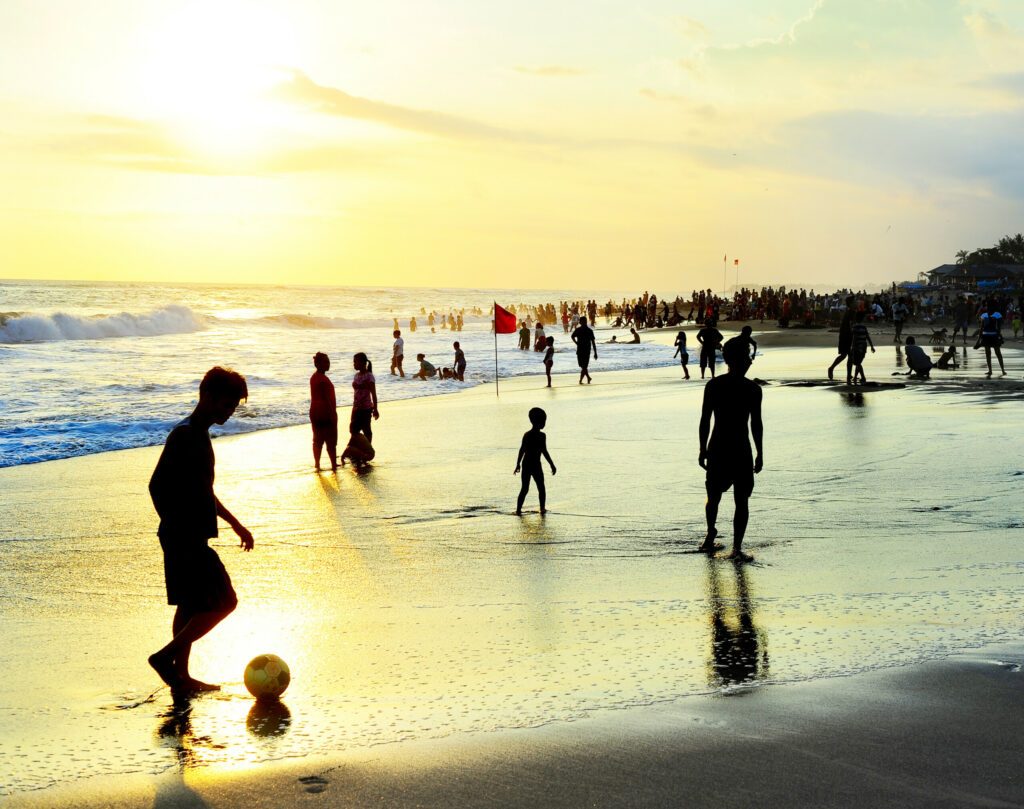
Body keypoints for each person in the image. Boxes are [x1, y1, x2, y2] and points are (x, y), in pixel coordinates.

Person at [147, 367, 253, 692]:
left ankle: (181, 676)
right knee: (224, 602)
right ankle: (165, 658)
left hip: (185, 535)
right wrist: (176, 523)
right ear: (206, 395)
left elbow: (204, 491)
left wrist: (235, 524)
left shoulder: (198, 434)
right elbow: (155, 485)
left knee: (190, 604)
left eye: (233, 407)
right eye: (226, 405)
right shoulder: (186, 435)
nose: (229, 412)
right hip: (184, 537)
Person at [698, 341, 763, 562]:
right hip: (731, 449)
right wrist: (701, 448)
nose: (750, 361)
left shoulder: (719, 386)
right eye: (746, 357)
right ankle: (717, 537)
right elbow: (705, 419)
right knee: (721, 497)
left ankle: (730, 544)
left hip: (725, 448)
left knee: (732, 498)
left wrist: (760, 452)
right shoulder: (749, 389)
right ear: (734, 360)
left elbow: (756, 424)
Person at [514, 407, 556, 515]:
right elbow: (522, 450)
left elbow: (544, 451)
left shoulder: (542, 436)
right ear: (535, 421)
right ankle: (518, 510)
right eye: (543, 421)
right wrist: (517, 464)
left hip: (535, 464)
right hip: (528, 464)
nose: (544, 423)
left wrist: (552, 464)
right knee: (525, 488)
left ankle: (542, 509)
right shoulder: (528, 435)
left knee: (541, 487)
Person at [309, 352, 338, 471]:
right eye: (325, 361)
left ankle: (317, 464)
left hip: (315, 412)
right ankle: (333, 465)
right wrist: (332, 415)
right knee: (330, 441)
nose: (328, 363)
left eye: (328, 361)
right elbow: (326, 399)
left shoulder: (314, 377)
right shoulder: (322, 380)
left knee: (317, 440)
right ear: (318, 364)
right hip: (324, 413)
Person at [349, 352, 379, 445]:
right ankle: (355, 449)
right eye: (353, 362)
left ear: (363, 363)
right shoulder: (356, 376)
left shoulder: (369, 376)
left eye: (355, 362)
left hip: (366, 409)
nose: (354, 364)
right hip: (356, 408)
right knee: (353, 429)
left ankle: (367, 448)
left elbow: (373, 394)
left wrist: (375, 409)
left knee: (366, 430)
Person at [974, 301, 1006, 376]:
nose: (988, 308)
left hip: (988, 336)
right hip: (991, 336)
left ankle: (995, 370)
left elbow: (982, 328)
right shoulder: (996, 315)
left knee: (992, 354)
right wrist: (1000, 336)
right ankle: (1000, 370)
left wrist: (978, 341)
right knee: (996, 353)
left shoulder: (986, 315)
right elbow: (998, 327)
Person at [827, 296, 855, 380]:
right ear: (851, 303)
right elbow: (851, 325)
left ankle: (848, 374)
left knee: (848, 355)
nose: (856, 303)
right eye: (854, 302)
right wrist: (853, 335)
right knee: (845, 355)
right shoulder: (851, 312)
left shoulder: (850, 311)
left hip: (845, 335)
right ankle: (831, 368)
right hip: (846, 336)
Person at [847, 311, 875, 384]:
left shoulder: (855, 327)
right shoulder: (864, 327)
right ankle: (856, 377)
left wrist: (852, 348)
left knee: (857, 363)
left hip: (857, 347)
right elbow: (867, 337)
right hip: (864, 346)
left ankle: (863, 377)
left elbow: (854, 338)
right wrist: (872, 346)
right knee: (858, 362)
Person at [571, 316, 598, 384]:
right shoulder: (579, 330)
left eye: (584, 321)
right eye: (582, 322)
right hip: (580, 350)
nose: (583, 323)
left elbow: (593, 342)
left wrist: (595, 352)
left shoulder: (589, 331)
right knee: (583, 366)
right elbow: (572, 336)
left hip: (585, 350)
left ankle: (582, 380)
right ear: (580, 322)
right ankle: (588, 378)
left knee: (584, 366)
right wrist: (576, 343)